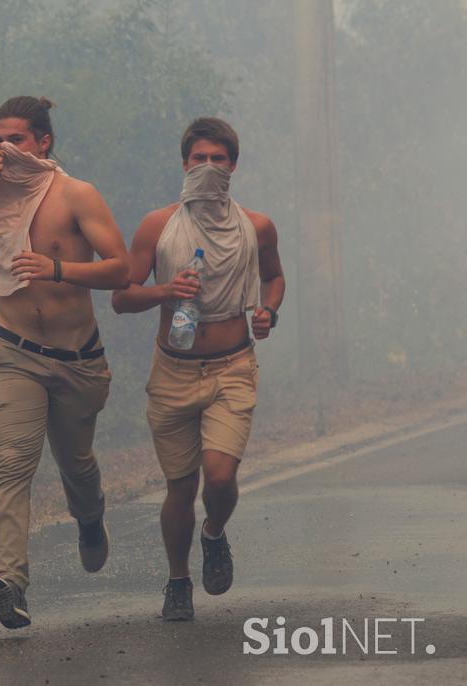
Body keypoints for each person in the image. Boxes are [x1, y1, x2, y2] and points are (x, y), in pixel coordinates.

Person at [0, 96, 131, 629]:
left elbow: (121, 268)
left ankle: (90, 519)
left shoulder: (75, 196)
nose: (5, 148)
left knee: (76, 464)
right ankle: (6, 581)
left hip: (78, 361)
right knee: (14, 462)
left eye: (15, 138)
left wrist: (57, 267)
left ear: (42, 142)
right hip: (15, 354)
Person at [111, 117, 285, 621]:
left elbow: (274, 278)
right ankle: (177, 580)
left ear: (234, 165)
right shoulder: (157, 227)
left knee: (220, 475)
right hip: (173, 371)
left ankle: (213, 534)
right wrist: (166, 291)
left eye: (218, 159)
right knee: (181, 487)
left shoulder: (256, 226)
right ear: (183, 162)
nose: (208, 167)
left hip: (232, 366)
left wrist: (268, 312)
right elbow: (122, 297)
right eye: (198, 158)